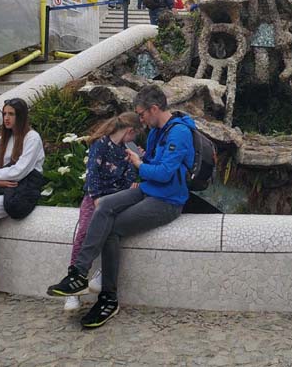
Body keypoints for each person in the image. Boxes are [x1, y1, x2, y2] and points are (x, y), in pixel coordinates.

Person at [47, 86, 195, 329]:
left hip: (167, 200)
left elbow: (166, 173)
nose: (141, 119)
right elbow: (156, 164)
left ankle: (108, 298)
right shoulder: (159, 130)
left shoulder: (178, 133)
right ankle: (78, 274)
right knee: (104, 206)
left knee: (112, 228)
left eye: (142, 113)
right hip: (148, 189)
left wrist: (139, 163)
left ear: (154, 109)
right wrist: (144, 160)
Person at [62, 112, 141, 313]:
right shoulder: (100, 144)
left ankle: (100, 273)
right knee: (84, 232)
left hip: (114, 201)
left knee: (111, 230)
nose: (134, 141)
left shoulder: (127, 152)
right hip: (94, 198)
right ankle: (73, 289)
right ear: (130, 131)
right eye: (135, 136)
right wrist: (97, 198)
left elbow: (127, 179)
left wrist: (131, 182)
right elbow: (92, 174)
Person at [0, 98, 44, 303]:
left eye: (11, 114)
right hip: (2, 192)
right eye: (4, 114)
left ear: (21, 116)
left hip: (21, 194)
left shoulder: (32, 138)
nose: (6, 118)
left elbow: (20, 172)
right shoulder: (3, 140)